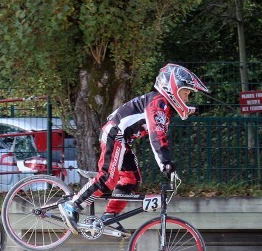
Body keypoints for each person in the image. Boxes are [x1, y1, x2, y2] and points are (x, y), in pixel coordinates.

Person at [58, 63, 209, 234]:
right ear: (173, 88)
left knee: (132, 180)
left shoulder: (163, 106)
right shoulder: (158, 103)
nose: (187, 99)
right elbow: (156, 135)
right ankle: (74, 205)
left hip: (123, 140)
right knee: (108, 177)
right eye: (186, 93)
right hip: (115, 135)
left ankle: (110, 216)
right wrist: (164, 162)